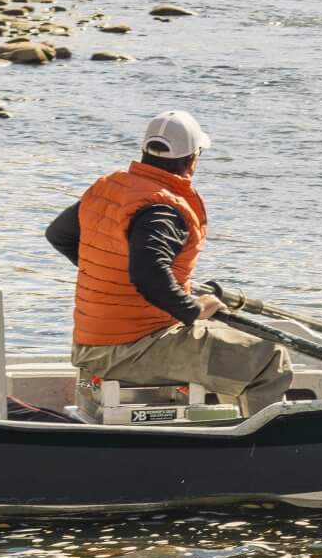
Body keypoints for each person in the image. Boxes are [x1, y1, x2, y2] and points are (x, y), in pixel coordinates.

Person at [44, 109, 291, 415]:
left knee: (231, 345)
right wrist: (192, 309)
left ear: (146, 151)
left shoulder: (112, 188)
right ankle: (255, 449)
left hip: (91, 343)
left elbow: (59, 235)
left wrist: (118, 277)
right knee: (269, 359)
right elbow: (148, 271)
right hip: (133, 348)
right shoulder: (163, 208)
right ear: (192, 159)